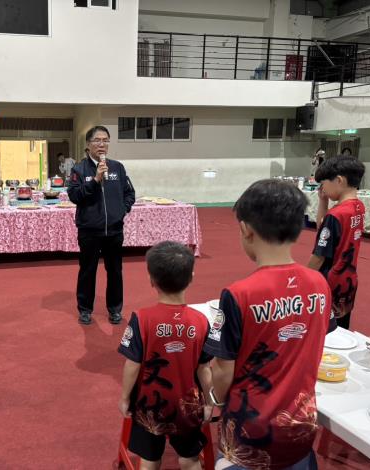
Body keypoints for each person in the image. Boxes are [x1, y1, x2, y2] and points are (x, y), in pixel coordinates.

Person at [204, 179, 333, 470]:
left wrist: (215, 400)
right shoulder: (319, 283)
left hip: (250, 427)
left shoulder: (239, 294)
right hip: (301, 421)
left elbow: (223, 369)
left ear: (246, 229)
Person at [117, 241, 213, 470]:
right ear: (191, 277)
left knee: (149, 461)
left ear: (151, 280)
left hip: (149, 405)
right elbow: (205, 368)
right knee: (190, 459)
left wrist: (125, 398)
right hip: (187, 405)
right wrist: (210, 402)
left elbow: (132, 365)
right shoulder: (201, 321)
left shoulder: (141, 319)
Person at [67, 125, 135, 325]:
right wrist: (95, 180)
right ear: (88, 144)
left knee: (115, 271)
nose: (102, 144)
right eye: (97, 140)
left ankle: (115, 309)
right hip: (89, 231)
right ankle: (85, 309)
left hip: (114, 230)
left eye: (105, 140)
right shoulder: (79, 169)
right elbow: (75, 196)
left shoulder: (117, 167)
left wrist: (121, 210)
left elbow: (129, 193)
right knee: (87, 271)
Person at [308, 155, 365, 330]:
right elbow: (323, 229)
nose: (322, 188)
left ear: (339, 180)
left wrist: (304, 277)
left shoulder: (337, 215)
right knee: (341, 328)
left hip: (331, 283)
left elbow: (319, 256)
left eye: (324, 183)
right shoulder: (358, 207)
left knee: (326, 331)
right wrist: (323, 201)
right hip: (349, 279)